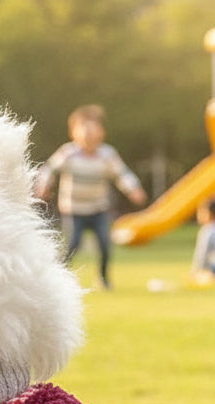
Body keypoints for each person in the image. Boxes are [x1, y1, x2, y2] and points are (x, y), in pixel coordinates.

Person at [35, 104, 146, 290]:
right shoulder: (68, 153)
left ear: (101, 132)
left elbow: (122, 174)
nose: (88, 134)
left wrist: (133, 190)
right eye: (83, 129)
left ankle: (103, 279)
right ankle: (57, 278)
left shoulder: (107, 154)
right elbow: (48, 170)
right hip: (74, 208)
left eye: (92, 129)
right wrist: (43, 185)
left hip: (99, 208)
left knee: (104, 244)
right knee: (72, 244)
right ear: (73, 132)